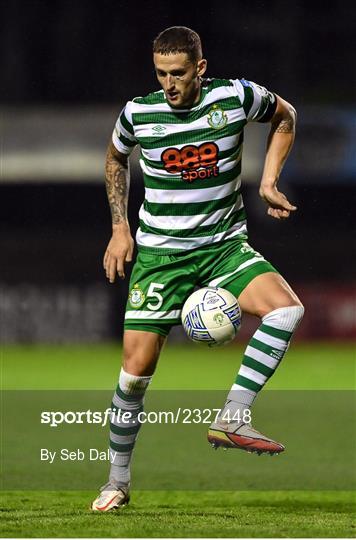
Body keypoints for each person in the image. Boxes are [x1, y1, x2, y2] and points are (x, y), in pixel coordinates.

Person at [92, 26, 304, 512]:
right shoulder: (138, 112)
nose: (169, 83)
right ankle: (117, 482)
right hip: (160, 256)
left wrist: (269, 180)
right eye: (161, 73)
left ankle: (232, 417)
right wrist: (120, 227)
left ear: (200, 70)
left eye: (179, 74)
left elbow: (285, 114)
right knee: (134, 375)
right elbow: (114, 159)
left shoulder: (234, 97)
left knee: (286, 311)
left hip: (223, 247)